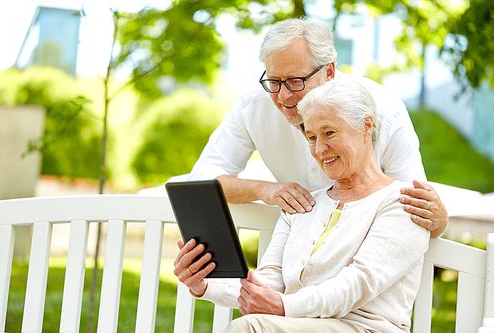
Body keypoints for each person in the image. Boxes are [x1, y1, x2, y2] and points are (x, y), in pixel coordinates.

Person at [175, 79, 430, 333]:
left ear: (366, 125)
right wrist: (204, 284)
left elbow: (358, 283)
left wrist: (285, 306)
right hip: (296, 325)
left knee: (249, 327)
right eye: (311, 137)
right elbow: (269, 281)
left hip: (364, 328)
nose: (320, 149)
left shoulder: (405, 203)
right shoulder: (305, 202)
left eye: (329, 132)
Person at [188, 18, 447, 238]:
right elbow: (200, 182)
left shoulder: (385, 111)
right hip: (297, 261)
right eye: (274, 81)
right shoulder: (252, 106)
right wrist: (265, 190)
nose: (284, 96)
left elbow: (419, 208)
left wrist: (439, 218)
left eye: (295, 81)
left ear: (330, 71)